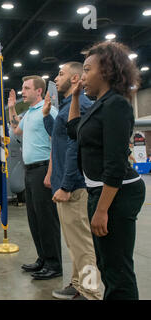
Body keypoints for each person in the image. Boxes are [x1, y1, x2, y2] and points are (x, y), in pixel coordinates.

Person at [67, 41, 145, 300]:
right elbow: (73, 130)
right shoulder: (100, 104)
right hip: (100, 191)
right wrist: (76, 97)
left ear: (107, 71)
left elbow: (115, 164)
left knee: (118, 271)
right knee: (108, 264)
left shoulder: (116, 105)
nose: (83, 76)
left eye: (88, 70)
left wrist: (101, 210)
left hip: (117, 194)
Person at [43, 62, 101, 300]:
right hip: (66, 185)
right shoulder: (67, 106)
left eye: (61, 74)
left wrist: (66, 185)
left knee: (83, 245)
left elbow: (75, 147)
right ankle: (78, 285)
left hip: (74, 188)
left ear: (75, 79)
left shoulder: (79, 106)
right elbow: (59, 136)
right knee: (74, 243)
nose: (56, 79)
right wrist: (47, 116)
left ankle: (90, 292)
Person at [8, 76, 62, 280]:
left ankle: (54, 263)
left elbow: (56, 143)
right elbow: (16, 129)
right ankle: (43, 258)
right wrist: (12, 107)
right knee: (34, 219)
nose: (22, 91)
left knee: (47, 219)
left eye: (26, 88)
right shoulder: (30, 113)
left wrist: (50, 173)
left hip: (43, 170)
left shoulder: (48, 112)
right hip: (29, 171)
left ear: (39, 91)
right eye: (22, 87)